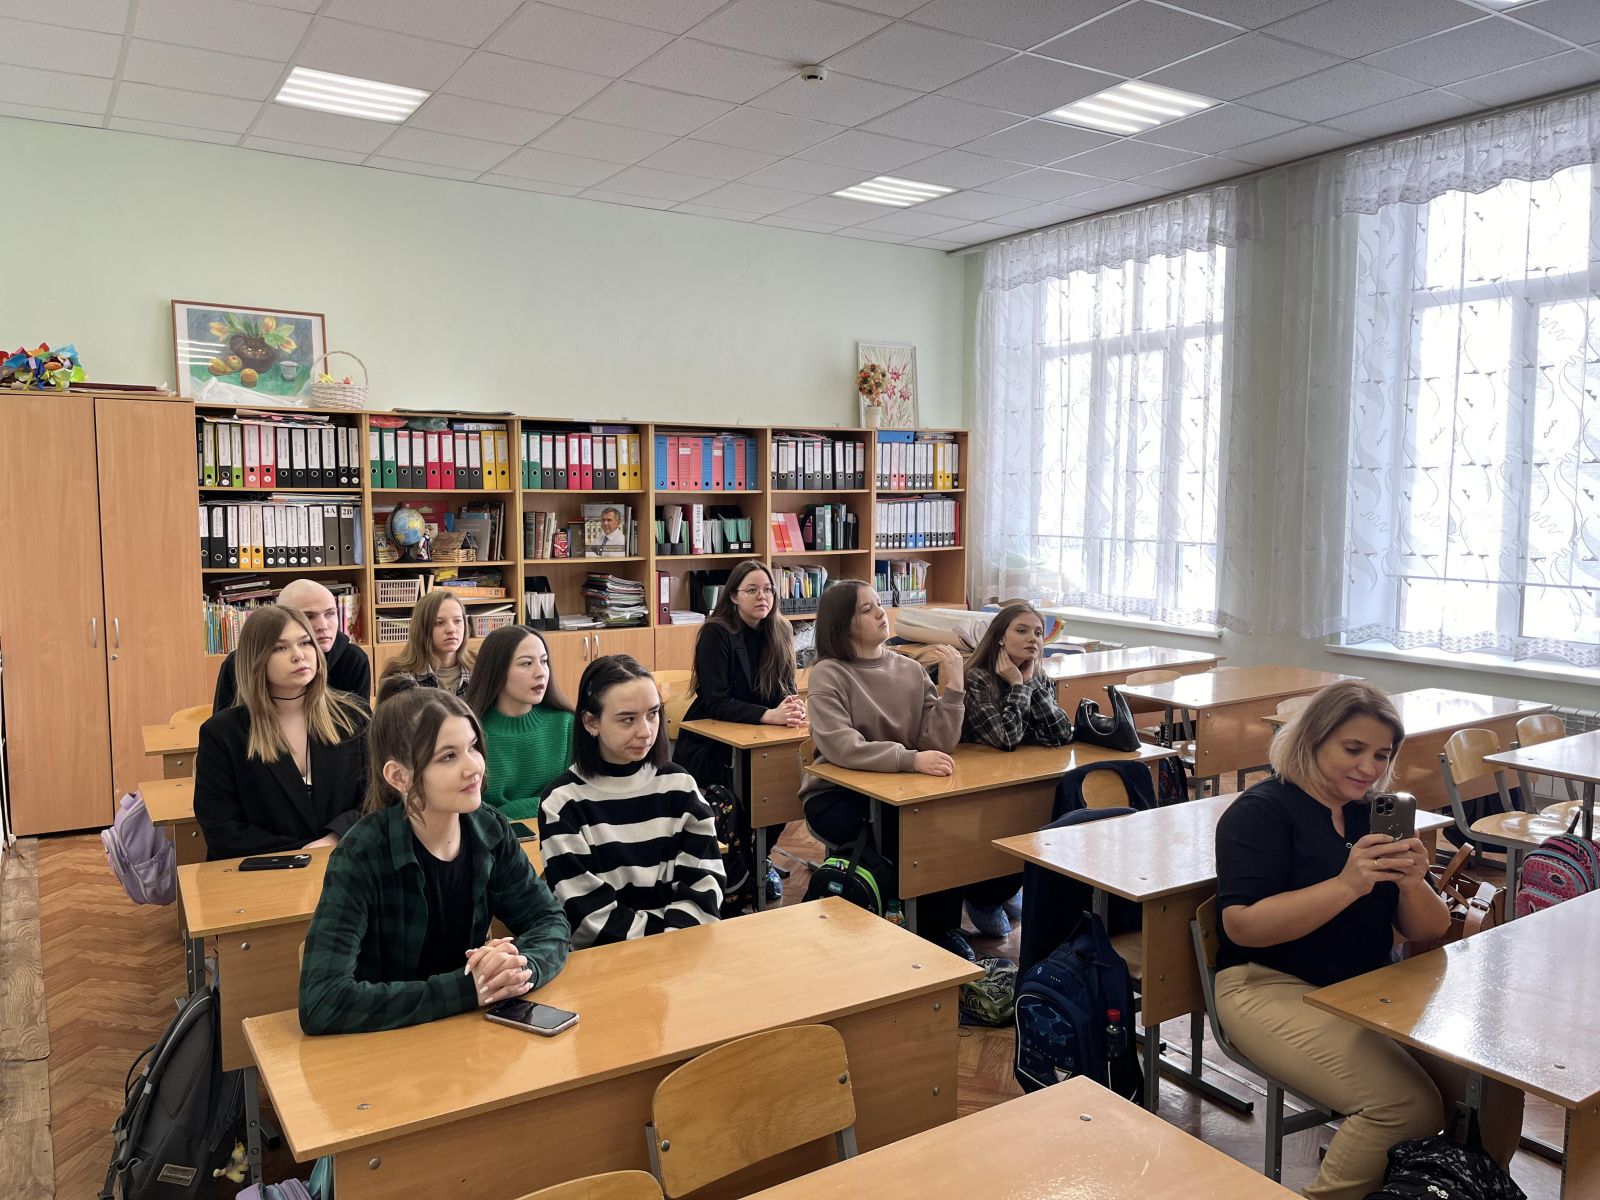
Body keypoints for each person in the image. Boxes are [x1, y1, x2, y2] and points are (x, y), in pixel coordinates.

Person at [1213, 680, 1523, 1200]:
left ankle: (1463, 1188)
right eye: (1353, 749)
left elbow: (1427, 929)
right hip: (1265, 984)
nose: (1369, 767)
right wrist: (1347, 885)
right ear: (1312, 739)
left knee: (1494, 1085)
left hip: (1366, 986)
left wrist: (1414, 882)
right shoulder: (1261, 812)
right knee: (1404, 1106)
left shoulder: (1372, 812)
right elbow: (1242, 926)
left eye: (1381, 755)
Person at [298, 676, 570, 1035]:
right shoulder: (361, 853)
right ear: (399, 776)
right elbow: (322, 1001)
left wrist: (519, 968)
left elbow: (550, 921)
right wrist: (467, 989)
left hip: (467, 1033)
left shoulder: (489, 829)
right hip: (386, 1043)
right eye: (448, 756)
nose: (474, 767)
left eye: (473, 747)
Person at [800, 580, 1020, 948]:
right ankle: (922, 934)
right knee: (915, 833)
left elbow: (937, 742)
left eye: (879, 604)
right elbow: (842, 747)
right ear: (842, 624)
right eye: (866, 609)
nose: (880, 613)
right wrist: (909, 759)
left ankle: (942, 929)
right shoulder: (829, 672)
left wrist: (955, 687)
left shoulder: (909, 668)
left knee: (949, 823)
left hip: (902, 788)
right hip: (839, 794)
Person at [540, 655, 724, 948]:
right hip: (607, 958)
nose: (646, 731)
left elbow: (704, 880)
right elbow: (586, 913)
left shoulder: (680, 786)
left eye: (653, 714)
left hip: (683, 951)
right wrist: (659, 946)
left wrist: (675, 943)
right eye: (628, 719)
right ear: (591, 722)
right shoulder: (563, 803)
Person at [194, 604, 369, 861]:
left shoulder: (354, 717)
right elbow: (221, 829)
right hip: (264, 871)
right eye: (280, 648)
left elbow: (378, 799)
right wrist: (303, 851)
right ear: (255, 659)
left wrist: (334, 838)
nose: (298, 655)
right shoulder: (221, 734)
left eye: (305, 643)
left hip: (346, 862)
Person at [674, 560, 803, 904]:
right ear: (733, 596)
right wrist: (769, 716)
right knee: (742, 799)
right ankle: (740, 867)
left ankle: (758, 860)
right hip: (714, 742)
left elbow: (787, 688)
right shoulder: (716, 632)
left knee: (783, 790)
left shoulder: (780, 630)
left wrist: (792, 707)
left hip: (763, 738)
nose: (763, 597)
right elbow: (716, 701)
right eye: (752, 590)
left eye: (768, 590)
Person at [957, 601, 1070, 935]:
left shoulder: (1039, 677)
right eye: (1021, 631)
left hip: (1022, 778)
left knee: (1040, 816)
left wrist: (1029, 683)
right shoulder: (976, 678)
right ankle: (982, 895)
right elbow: (1006, 739)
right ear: (1000, 638)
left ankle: (1009, 884)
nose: (1033, 639)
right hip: (980, 788)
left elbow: (1062, 733)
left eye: (1038, 632)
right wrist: (1019, 687)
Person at [463, 624, 574, 826]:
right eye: (526, 663)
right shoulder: (468, 733)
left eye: (544, 661)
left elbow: (574, 797)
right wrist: (544, 804)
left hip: (559, 832)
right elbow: (471, 810)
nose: (541, 672)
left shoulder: (566, 725)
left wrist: (507, 812)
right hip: (492, 838)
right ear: (497, 671)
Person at [213, 578, 370, 709]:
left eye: (330, 614)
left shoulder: (353, 659)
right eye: (309, 616)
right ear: (282, 617)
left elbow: (360, 728)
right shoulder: (241, 661)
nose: (323, 626)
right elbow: (223, 728)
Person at [379, 588, 474, 696]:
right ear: (421, 629)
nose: (451, 629)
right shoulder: (399, 677)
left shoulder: (479, 668)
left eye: (457, 621)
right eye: (439, 622)